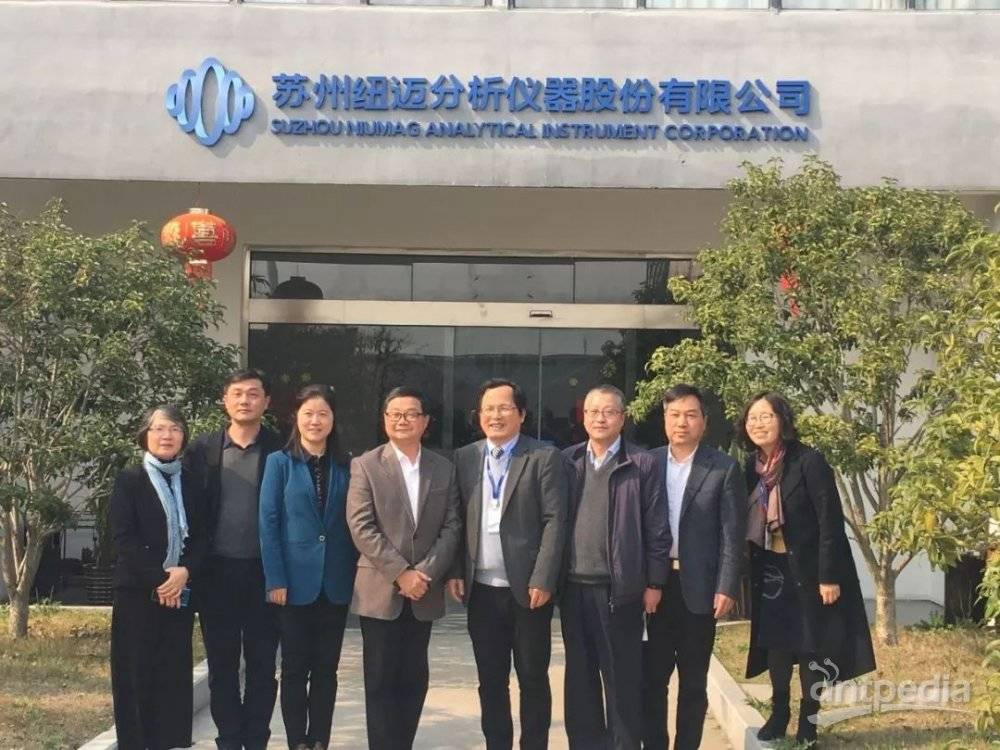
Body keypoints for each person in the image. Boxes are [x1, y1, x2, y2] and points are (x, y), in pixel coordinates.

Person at [738, 392, 875, 748]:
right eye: (752, 418)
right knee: (776, 644)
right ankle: (779, 712)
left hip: (809, 571)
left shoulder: (809, 461)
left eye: (766, 416)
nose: (758, 424)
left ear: (782, 419)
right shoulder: (750, 467)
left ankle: (809, 719)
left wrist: (829, 576)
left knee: (810, 645)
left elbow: (830, 522)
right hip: (771, 569)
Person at [446, 378, 568, 750]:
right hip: (482, 591)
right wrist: (456, 571)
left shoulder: (543, 456)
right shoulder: (466, 457)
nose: (495, 415)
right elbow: (455, 518)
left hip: (528, 590)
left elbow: (555, 520)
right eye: (488, 409)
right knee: (491, 680)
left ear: (522, 414)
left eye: (504, 408)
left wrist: (543, 577)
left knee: (533, 679)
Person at [346, 386, 462, 750]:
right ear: (384, 420)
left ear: (425, 422)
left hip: (424, 590)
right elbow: (361, 525)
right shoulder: (366, 464)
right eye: (395, 414)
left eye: (411, 414)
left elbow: (452, 525)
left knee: (414, 679)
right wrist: (401, 573)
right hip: (380, 590)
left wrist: (425, 573)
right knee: (380, 680)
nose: (402, 420)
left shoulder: (443, 467)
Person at [561, 385, 671, 749]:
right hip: (573, 588)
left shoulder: (641, 463)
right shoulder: (568, 461)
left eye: (608, 412)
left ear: (622, 419)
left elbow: (657, 528)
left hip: (619, 591)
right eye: (593, 411)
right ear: (583, 417)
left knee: (621, 680)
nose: (600, 418)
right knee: (580, 681)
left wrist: (654, 582)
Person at [184, 369, 283, 750]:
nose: (245, 400)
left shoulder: (281, 449)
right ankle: (228, 739)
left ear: (266, 402)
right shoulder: (201, 451)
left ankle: (256, 739)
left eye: (253, 394)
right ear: (224, 400)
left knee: (262, 666)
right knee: (221, 666)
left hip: (265, 573)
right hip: (216, 573)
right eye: (237, 393)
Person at [642, 384, 745, 750]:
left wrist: (726, 586)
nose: (681, 423)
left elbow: (732, 533)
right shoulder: (647, 463)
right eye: (674, 415)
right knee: (651, 680)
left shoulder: (723, 468)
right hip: (653, 588)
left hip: (699, 588)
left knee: (693, 682)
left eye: (690, 415)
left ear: (704, 421)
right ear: (664, 420)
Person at [259, 384, 357, 750]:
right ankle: (297, 741)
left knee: (327, 670)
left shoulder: (347, 464)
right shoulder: (279, 463)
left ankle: (319, 741)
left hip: (335, 581)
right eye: (308, 414)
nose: (315, 421)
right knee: (295, 669)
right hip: (292, 583)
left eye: (323, 414)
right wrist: (275, 578)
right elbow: (268, 522)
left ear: (333, 419)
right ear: (295, 418)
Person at [110, 404, 207, 750]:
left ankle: (170, 743)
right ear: (145, 436)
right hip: (137, 593)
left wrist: (185, 571)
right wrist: (161, 579)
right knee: (135, 675)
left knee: (172, 676)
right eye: (159, 428)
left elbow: (203, 536)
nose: (167, 436)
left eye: (175, 429)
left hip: (180, 593)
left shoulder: (193, 482)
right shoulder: (129, 480)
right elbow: (123, 538)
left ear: (183, 437)